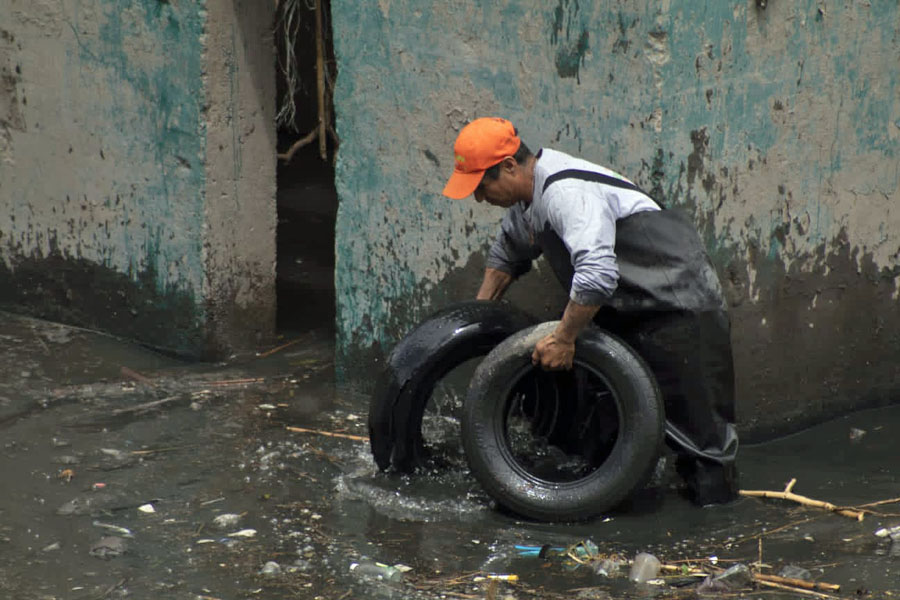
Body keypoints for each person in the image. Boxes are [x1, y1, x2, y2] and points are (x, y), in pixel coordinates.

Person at [441, 117, 739, 505]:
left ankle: (712, 535)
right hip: (627, 312)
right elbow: (507, 255)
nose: (480, 198)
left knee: (702, 443)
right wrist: (479, 322)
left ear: (511, 166)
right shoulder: (527, 199)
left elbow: (597, 275)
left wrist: (564, 338)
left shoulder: (567, 192)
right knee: (607, 427)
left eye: (483, 186)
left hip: (678, 306)